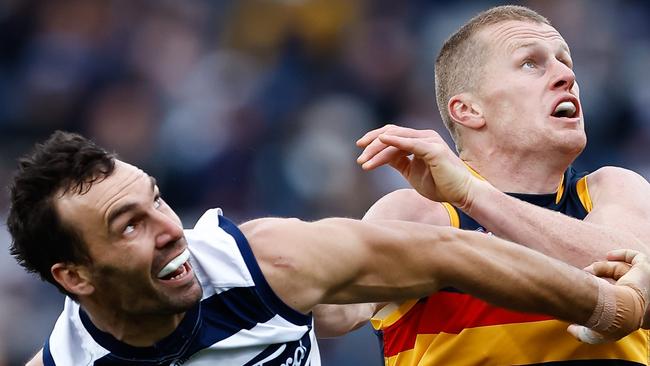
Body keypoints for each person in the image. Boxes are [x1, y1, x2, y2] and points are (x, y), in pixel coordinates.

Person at [6, 131, 650, 366]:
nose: (168, 227)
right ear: (75, 276)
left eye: (155, 199)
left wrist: (605, 306)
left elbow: (449, 256)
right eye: (128, 225)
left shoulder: (266, 262)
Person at [326, 4, 650, 366]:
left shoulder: (614, 189)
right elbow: (333, 312)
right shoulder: (418, 214)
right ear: (469, 110)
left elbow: (635, 278)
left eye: (566, 62)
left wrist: (474, 194)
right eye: (531, 63)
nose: (566, 77)